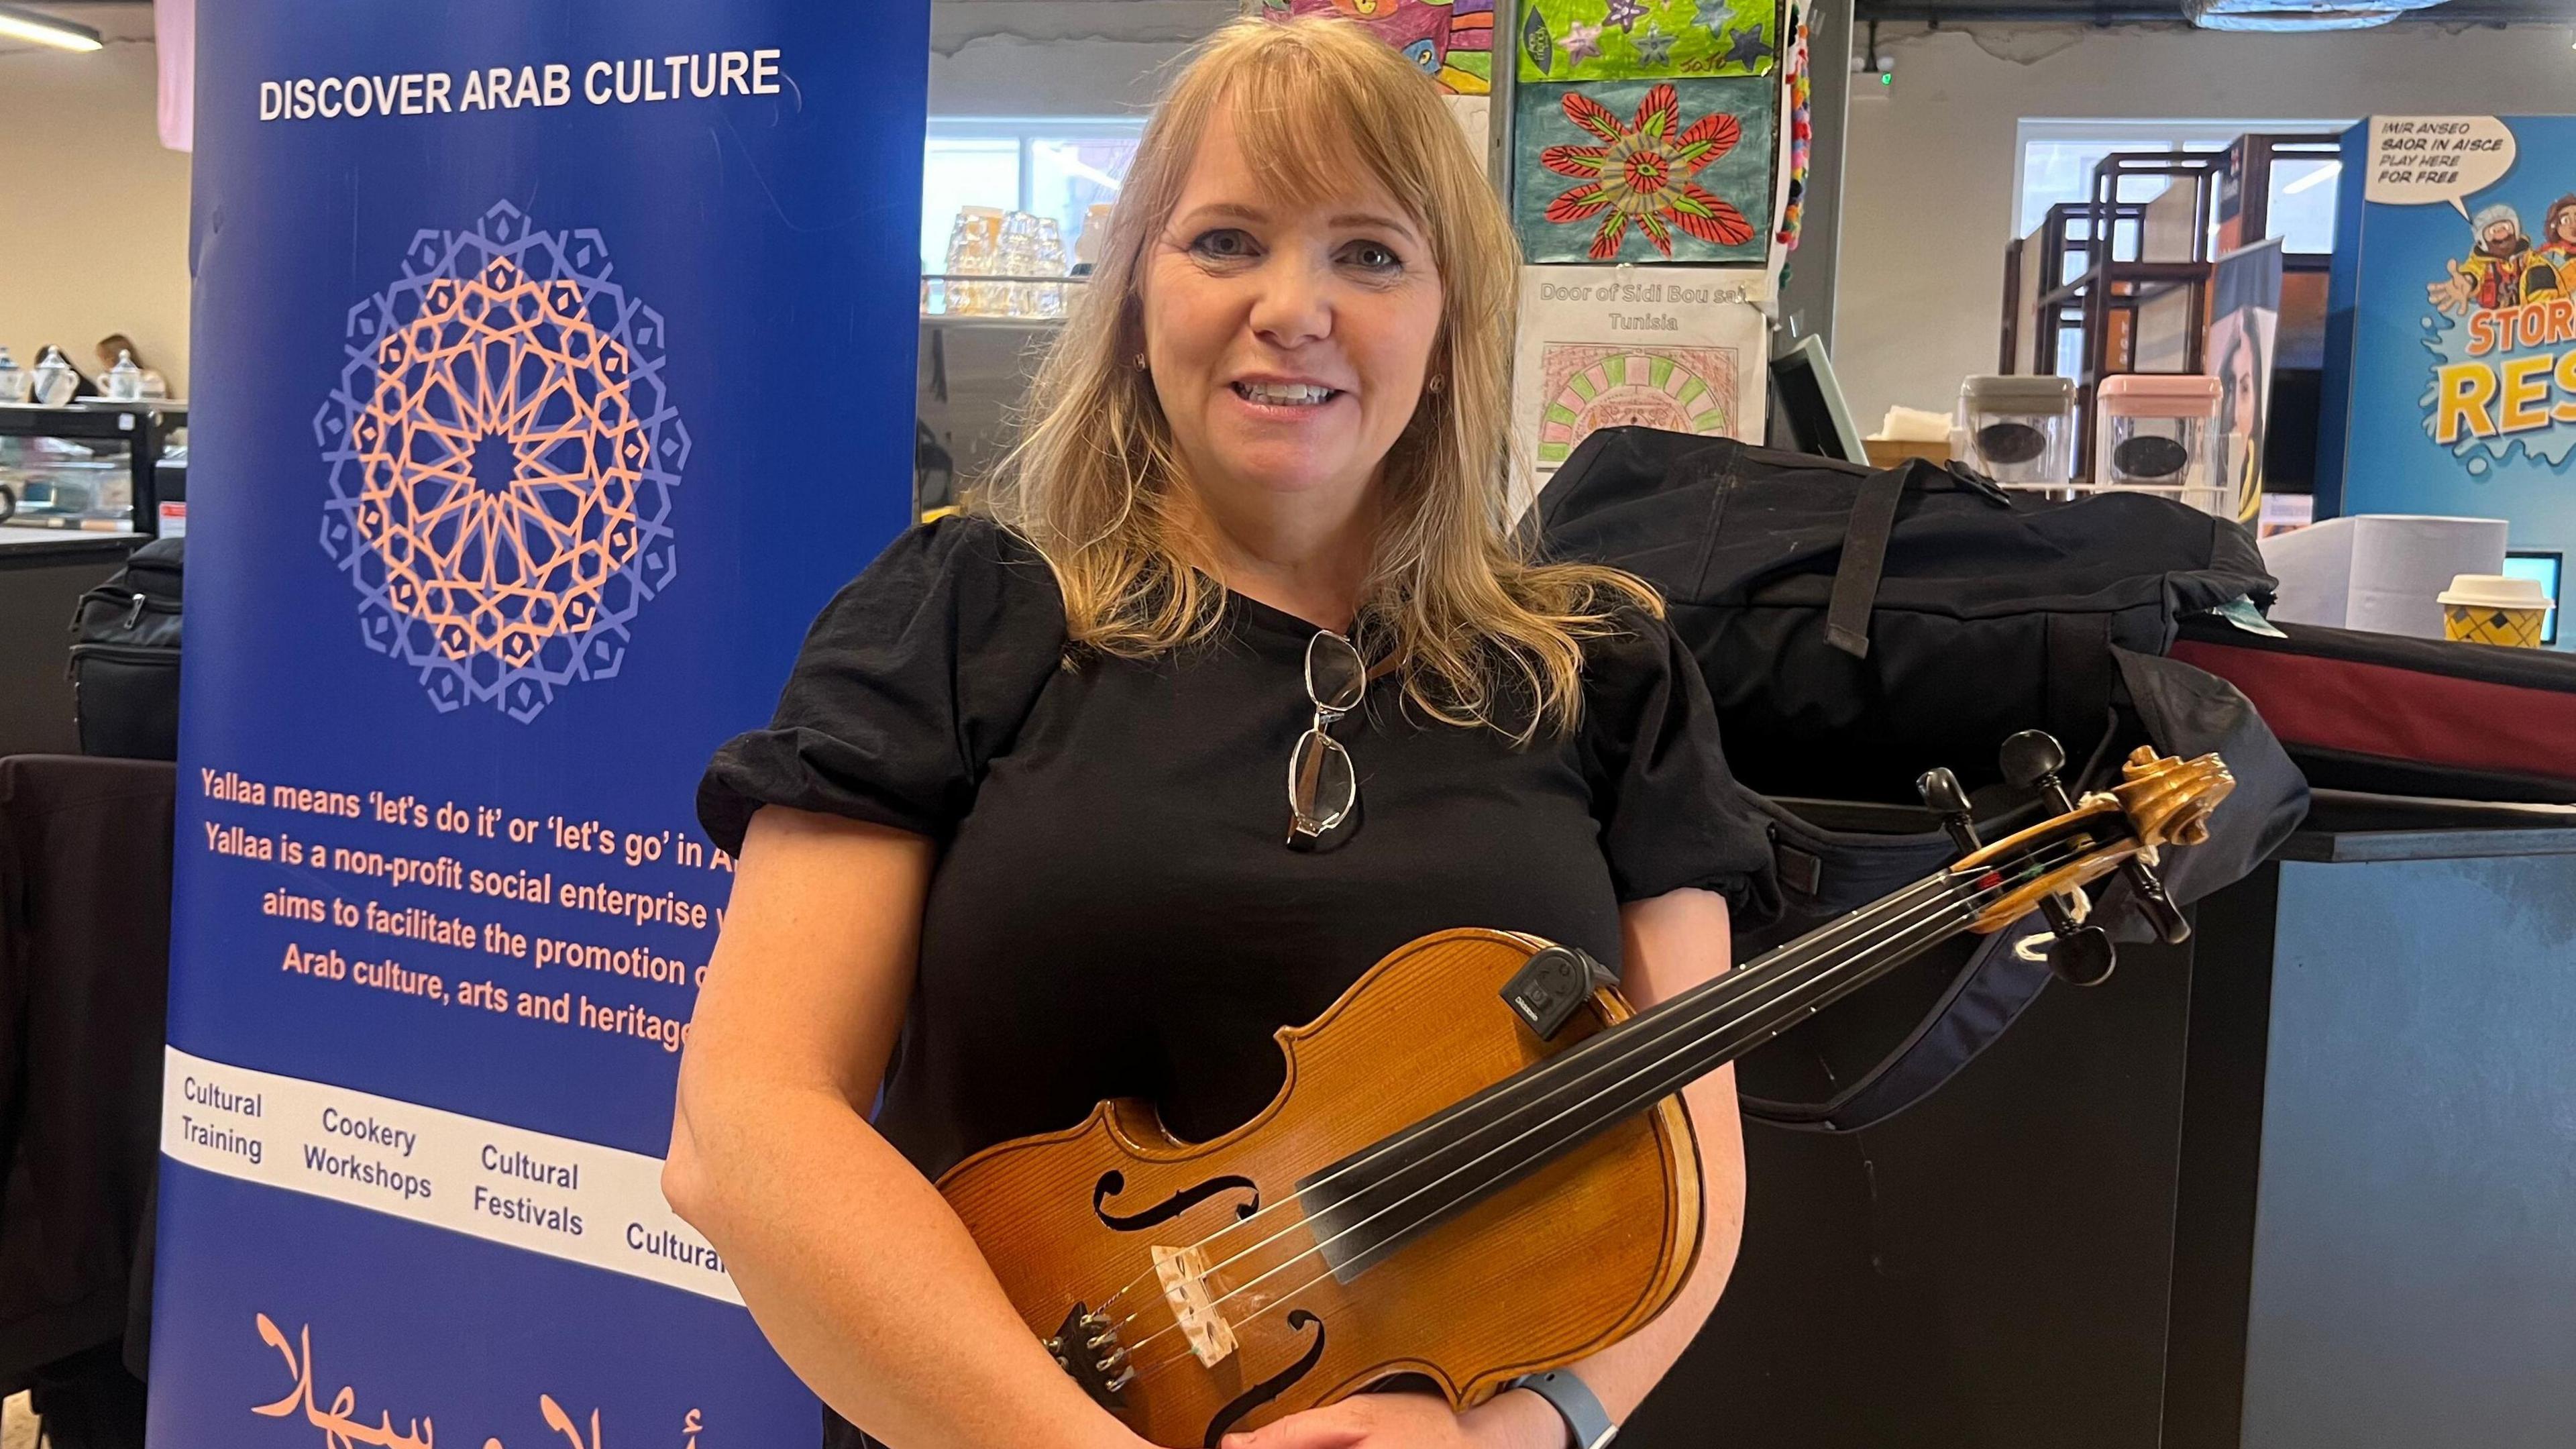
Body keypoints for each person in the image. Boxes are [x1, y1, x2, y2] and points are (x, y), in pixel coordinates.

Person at [667, 17, 1774, 1449]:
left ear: (1449, 332)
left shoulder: (1602, 675)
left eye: (1370, 254)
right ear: (1137, 301)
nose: (1292, 307)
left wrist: (1523, 1434)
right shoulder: (966, 617)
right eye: (1227, 241)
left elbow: (1693, 1172)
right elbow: (747, 1128)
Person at [2428, 202, 2551, 315]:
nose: (2501, 234)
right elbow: (2473, 271)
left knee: (2541, 272)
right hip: (2494, 325)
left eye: (2505, 227)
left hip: (2530, 322)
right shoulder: (2481, 263)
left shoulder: (2528, 257)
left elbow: (2541, 267)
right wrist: (2467, 280)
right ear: (2482, 240)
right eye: (2493, 231)